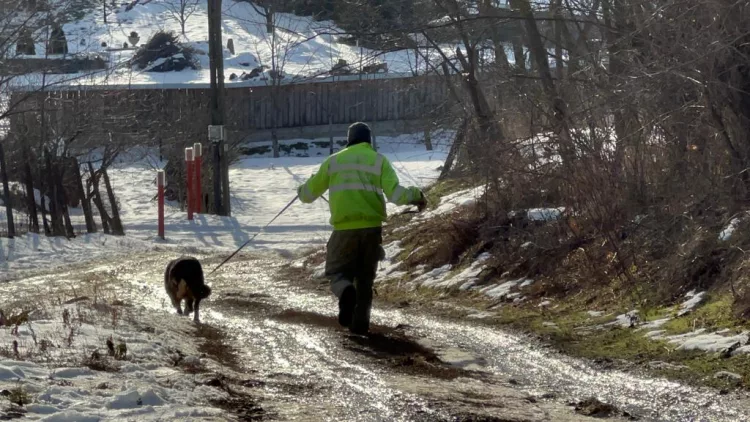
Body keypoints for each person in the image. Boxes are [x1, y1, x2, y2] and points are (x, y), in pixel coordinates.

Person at [297, 122, 426, 335]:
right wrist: (417, 195)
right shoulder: (378, 161)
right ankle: (360, 326)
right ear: (368, 140)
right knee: (365, 279)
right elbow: (396, 195)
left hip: (343, 230)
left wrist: (302, 190)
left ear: (349, 139)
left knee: (337, 273)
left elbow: (308, 195)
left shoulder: (333, 161)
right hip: (371, 230)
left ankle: (346, 291)